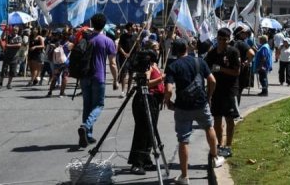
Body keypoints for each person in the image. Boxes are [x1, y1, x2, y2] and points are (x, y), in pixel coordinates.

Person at [164, 39, 224, 185]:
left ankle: (185, 176)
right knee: (209, 127)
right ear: (186, 48)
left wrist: (168, 102)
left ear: (175, 52)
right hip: (200, 104)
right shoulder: (200, 62)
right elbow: (213, 81)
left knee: (183, 139)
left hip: (183, 107)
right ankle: (215, 158)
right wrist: (208, 96)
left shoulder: (173, 66)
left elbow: (168, 89)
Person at [77, 13, 119, 148]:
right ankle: (86, 127)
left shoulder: (86, 39)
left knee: (87, 106)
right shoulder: (108, 41)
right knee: (98, 105)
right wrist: (115, 79)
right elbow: (112, 63)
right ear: (104, 25)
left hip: (84, 76)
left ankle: (87, 135)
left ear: (92, 24)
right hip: (98, 76)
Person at [127, 43, 165, 175]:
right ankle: (137, 163)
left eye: (157, 49)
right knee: (142, 132)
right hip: (145, 99)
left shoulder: (154, 65)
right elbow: (146, 83)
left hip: (154, 101)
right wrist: (162, 78)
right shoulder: (147, 66)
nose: (156, 51)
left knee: (151, 132)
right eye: (154, 49)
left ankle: (146, 159)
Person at [204, 27, 241, 158]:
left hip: (230, 90)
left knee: (229, 119)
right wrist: (208, 92)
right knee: (217, 119)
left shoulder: (233, 52)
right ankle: (219, 145)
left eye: (225, 39)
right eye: (219, 39)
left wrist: (220, 69)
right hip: (216, 90)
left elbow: (237, 72)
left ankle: (229, 146)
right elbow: (207, 72)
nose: (222, 42)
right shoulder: (212, 53)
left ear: (229, 39)